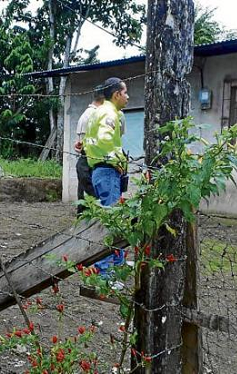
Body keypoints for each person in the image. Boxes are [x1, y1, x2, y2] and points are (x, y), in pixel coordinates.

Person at [84, 77, 129, 274]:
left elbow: (89, 140)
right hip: (108, 170)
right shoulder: (111, 113)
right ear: (117, 94)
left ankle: (118, 262)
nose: (128, 97)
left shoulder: (97, 112)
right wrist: (118, 161)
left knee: (115, 217)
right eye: (125, 92)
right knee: (111, 222)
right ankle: (104, 272)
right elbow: (105, 139)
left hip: (99, 170)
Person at [74, 86, 105, 214]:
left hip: (86, 163)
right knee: (92, 206)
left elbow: (81, 144)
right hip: (91, 165)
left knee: (85, 204)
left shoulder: (87, 114)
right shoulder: (94, 116)